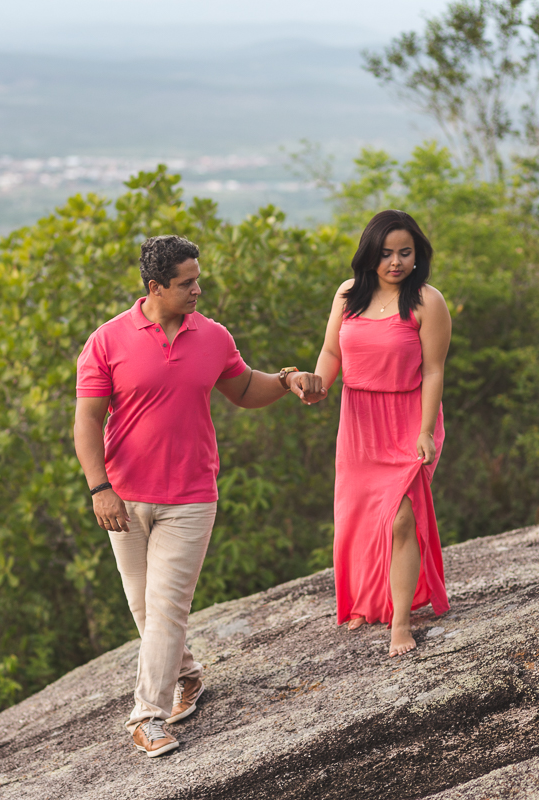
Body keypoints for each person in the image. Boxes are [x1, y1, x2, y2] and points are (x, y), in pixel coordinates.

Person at [74, 235, 325, 757]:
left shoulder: (212, 336)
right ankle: (187, 676)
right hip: (123, 498)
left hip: (190, 496)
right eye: (186, 283)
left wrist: (285, 379)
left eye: (197, 279)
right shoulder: (107, 341)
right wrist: (99, 488)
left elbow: (243, 389)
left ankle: (148, 716)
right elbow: (87, 421)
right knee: (144, 608)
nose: (198, 289)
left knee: (167, 607)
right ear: (155, 287)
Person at [307, 209, 451, 658]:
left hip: (407, 418)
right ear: (370, 254)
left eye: (405, 253)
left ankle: (401, 622)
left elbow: (433, 371)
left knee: (401, 518)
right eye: (386, 253)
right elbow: (332, 350)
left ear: (417, 255)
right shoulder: (348, 294)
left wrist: (426, 431)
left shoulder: (428, 301)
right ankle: (365, 602)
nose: (395, 262)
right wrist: (317, 384)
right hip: (358, 421)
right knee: (358, 517)